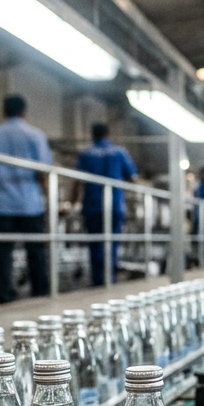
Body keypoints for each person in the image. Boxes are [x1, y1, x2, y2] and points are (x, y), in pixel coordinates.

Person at [0, 94, 52, 304]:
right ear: (24, 111)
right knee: (36, 251)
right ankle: (40, 293)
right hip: (29, 204)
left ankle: (3, 294)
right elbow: (41, 172)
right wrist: (47, 199)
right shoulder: (35, 135)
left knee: (2, 253)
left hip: (1, 203)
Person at [72, 122, 137, 287]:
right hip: (114, 204)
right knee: (112, 242)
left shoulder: (86, 153)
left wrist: (72, 202)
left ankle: (97, 279)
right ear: (108, 134)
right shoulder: (119, 152)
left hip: (92, 205)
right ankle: (110, 278)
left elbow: (78, 181)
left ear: (92, 135)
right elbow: (132, 177)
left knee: (95, 242)